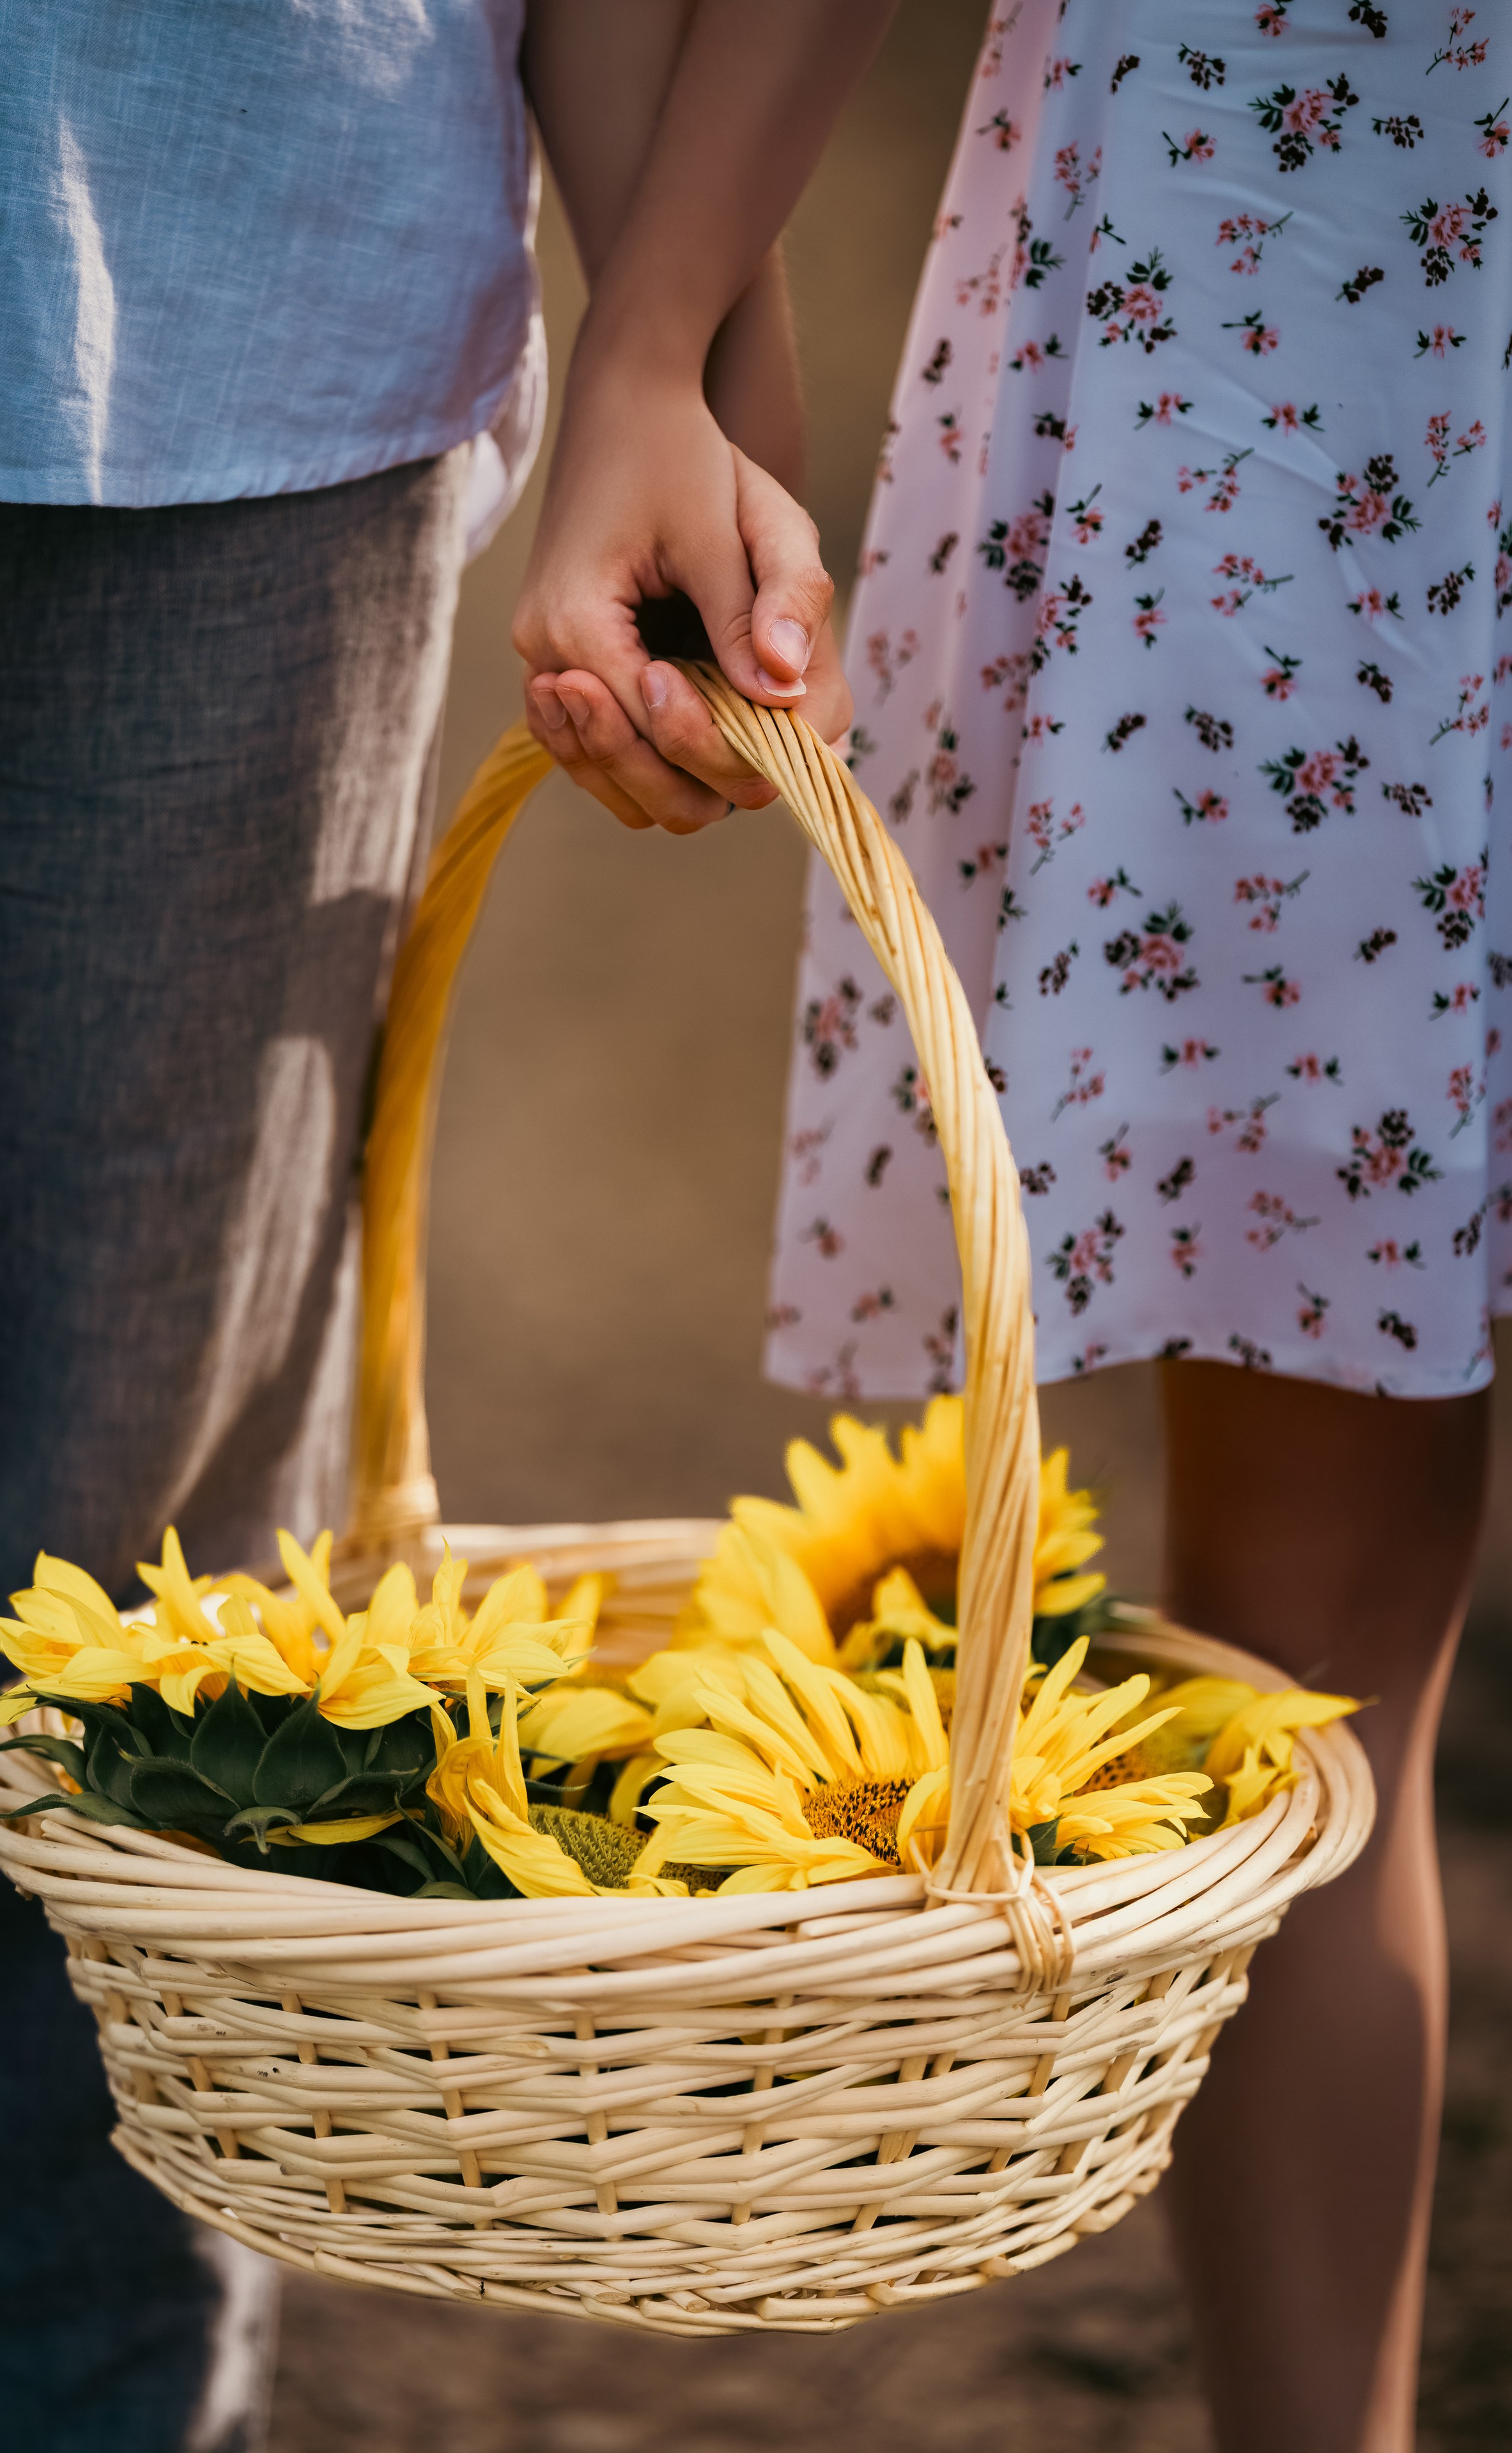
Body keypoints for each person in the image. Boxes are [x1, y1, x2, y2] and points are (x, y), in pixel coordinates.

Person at [0, 6, 877, 2446]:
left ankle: (49, 2386)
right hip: (237, 345)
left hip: (234, 352)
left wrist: (691, 344)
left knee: (115, 1619)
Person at [755, 10, 1499, 2451]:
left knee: (1319, 1683)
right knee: (1314, 1682)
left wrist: (673, 329)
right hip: (1291, 384)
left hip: (1287, 368)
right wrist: (673, 342)